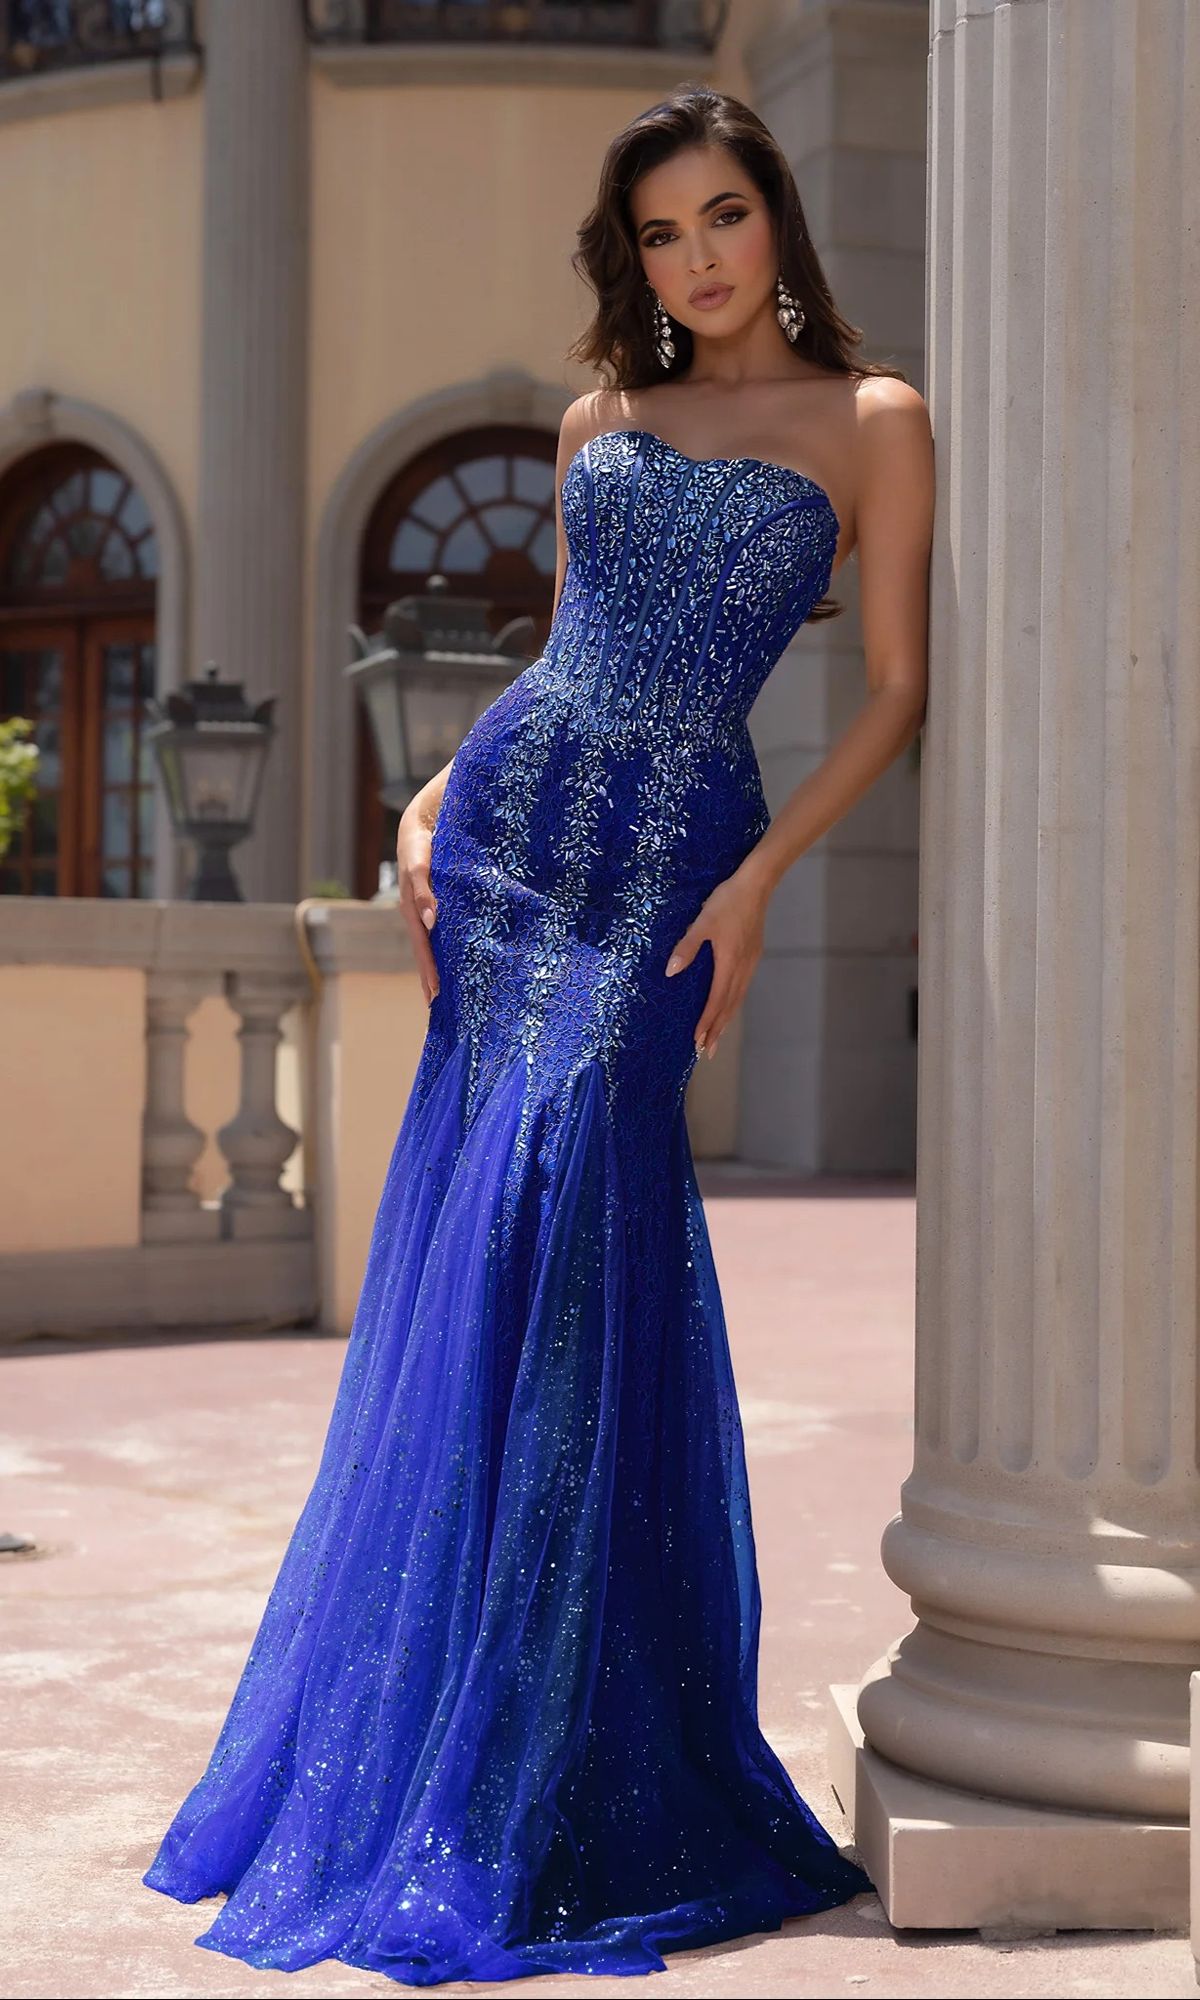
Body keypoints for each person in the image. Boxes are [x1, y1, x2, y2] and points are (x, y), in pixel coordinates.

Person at [143, 83, 931, 1986]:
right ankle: (457, 1727)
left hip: (679, 852)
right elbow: (561, 652)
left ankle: (563, 1739)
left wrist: (751, 893)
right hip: (508, 838)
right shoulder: (599, 425)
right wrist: (425, 811)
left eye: (725, 217)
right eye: (661, 235)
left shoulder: (873, 421)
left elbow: (898, 690)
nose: (700, 261)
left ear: (778, 222)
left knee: (578, 1199)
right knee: (492, 1237)